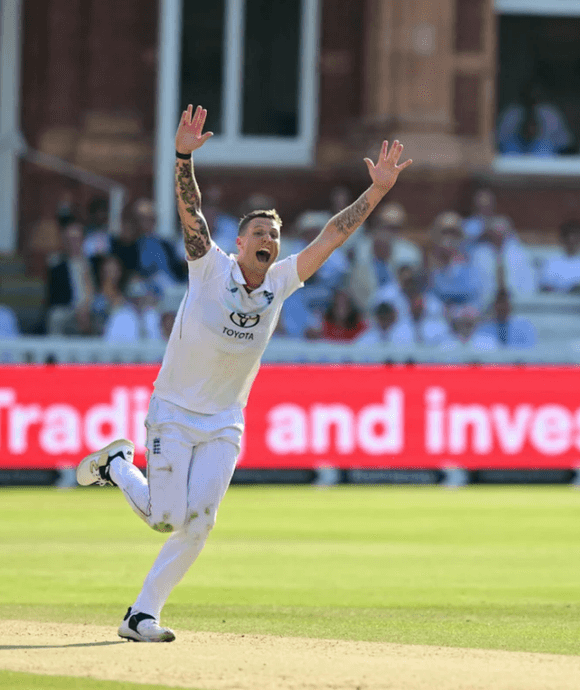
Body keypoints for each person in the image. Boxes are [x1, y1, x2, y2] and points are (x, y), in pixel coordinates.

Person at [73, 104, 411, 643]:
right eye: (258, 232)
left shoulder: (281, 281)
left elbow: (332, 235)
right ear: (239, 243)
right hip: (173, 411)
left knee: (201, 521)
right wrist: (182, 156)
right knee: (165, 518)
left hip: (225, 421)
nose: (267, 239)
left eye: (273, 234)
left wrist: (377, 191)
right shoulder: (209, 267)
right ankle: (117, 464)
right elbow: (191, 214)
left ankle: (141, 614)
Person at [539, 221, 580, 293]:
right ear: (562, 238)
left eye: (576, 237)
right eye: (568, 236)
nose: (571, 240)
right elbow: (545, 286)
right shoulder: (550, 261)